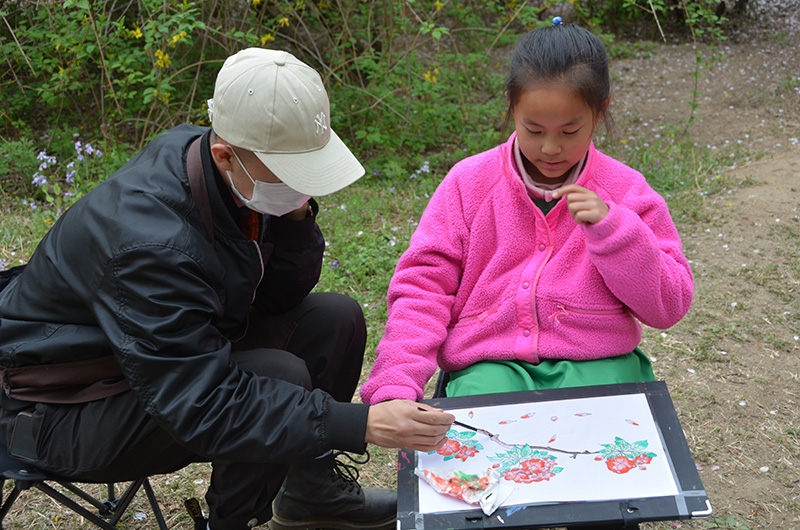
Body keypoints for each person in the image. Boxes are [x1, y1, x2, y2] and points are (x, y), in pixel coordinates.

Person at [0, 48, 455, 530]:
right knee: (278, 375)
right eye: (293, 177)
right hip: (56, 409)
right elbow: (202, 404)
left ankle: (312, 494)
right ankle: (232, 523)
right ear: (225, 154)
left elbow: (277, 298)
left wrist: (295, 215)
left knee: (334, 319)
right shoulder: (149, 241)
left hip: (145, 366)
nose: (304, 188)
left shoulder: (225, 174)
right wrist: (358, 424)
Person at [361, 20, 693, 443]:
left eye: (570, 131)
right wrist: (395, 382)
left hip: (599, 361)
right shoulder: (470, 182)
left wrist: (617, 233)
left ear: (601, 111)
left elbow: (669, 305)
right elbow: (424, 286)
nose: (550, 148)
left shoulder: (626, 191)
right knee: (481, 452)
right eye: (533, 129)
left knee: (602, 460)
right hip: (491, 364)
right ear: (510, 107)